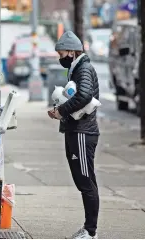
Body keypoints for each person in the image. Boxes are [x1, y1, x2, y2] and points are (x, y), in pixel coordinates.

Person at [48, 31, 100, 239]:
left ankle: (91, 230)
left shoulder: (83, 68)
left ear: (71, 51)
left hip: (82, 132)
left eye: (61, 53)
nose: (61, 58)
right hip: (76, 130)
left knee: (86, 182)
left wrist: (61, 111)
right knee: (82, 181)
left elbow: (84, 95)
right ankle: (88, 228)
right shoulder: (76, 68)